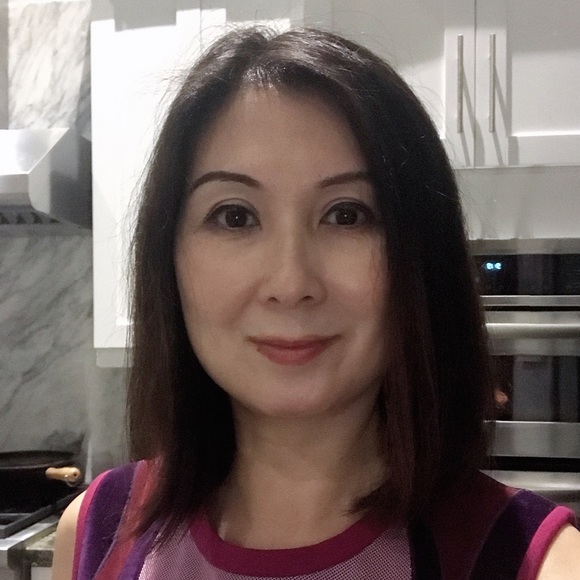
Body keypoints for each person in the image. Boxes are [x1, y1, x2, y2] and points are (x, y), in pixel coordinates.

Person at [52, 27, 580, 579]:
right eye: (235, 216)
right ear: (170, 259)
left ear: (420, 259)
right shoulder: (95, 529)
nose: (290, 282)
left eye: (346, 215)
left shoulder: (535, 563)